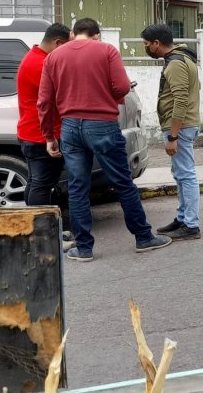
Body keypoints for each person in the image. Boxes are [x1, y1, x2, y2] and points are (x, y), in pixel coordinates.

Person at [37, 18, 170, 261]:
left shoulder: (53, 57)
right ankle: (143, 237)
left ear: (74, 34)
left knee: (78, 188)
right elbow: (121, 87)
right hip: (102, 125)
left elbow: (44, 101)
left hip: (70, 127)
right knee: (122, 182)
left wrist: (49, 136)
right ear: (96, 35)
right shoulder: (106, 50)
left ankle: (84, 248)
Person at [141, 23, 202, 241]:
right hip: (183, 126)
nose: (147, 48)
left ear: (157, 43)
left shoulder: (175, 63)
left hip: (181, 128)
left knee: (186, 175)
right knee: (181, 174)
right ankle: (183, 218)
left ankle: (191, 224)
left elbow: (181, 100)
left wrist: (173, 136)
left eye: (147, 44)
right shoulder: (181, 58)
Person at [17, 23, 72, 232]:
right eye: (66, 47)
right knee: (41, 184)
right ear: (58, 43)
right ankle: (44, 233)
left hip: (32, 132)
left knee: (35, 183)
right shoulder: (40, 64)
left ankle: (37, 228)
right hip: (40, 135)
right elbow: (54, 99)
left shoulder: (36, 58)